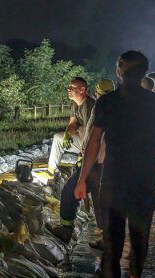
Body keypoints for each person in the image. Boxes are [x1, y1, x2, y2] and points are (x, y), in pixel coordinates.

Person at [74, 50, 155, 278]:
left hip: (113, 183)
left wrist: (82, 178)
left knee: (112, 241)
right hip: (142, 183)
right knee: (140, 238)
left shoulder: (108, 102)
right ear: (143, 72)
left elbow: (93, 143)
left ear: (118, 71)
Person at [45, 79, 115, 244]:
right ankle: (106, 237)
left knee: (71, 191)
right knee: (99, 200)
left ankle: (66, 230)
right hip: (105, 162)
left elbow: (93, 140)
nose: (69, 90)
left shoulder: (97, 108)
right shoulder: (112, 108)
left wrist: (83, 167)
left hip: (97, 162)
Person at [47, 77, 95, 176]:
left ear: (82, 90)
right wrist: (67, 134)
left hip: (93, 144)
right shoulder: (74, 103)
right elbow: (72, 123)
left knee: (81, 129)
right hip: (84, 138)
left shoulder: (88, 106)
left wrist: (83, 154)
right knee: (58, 138)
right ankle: (51, 172)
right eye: (69, 86)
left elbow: (88, 133)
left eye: (72, 87)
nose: (68, 89)